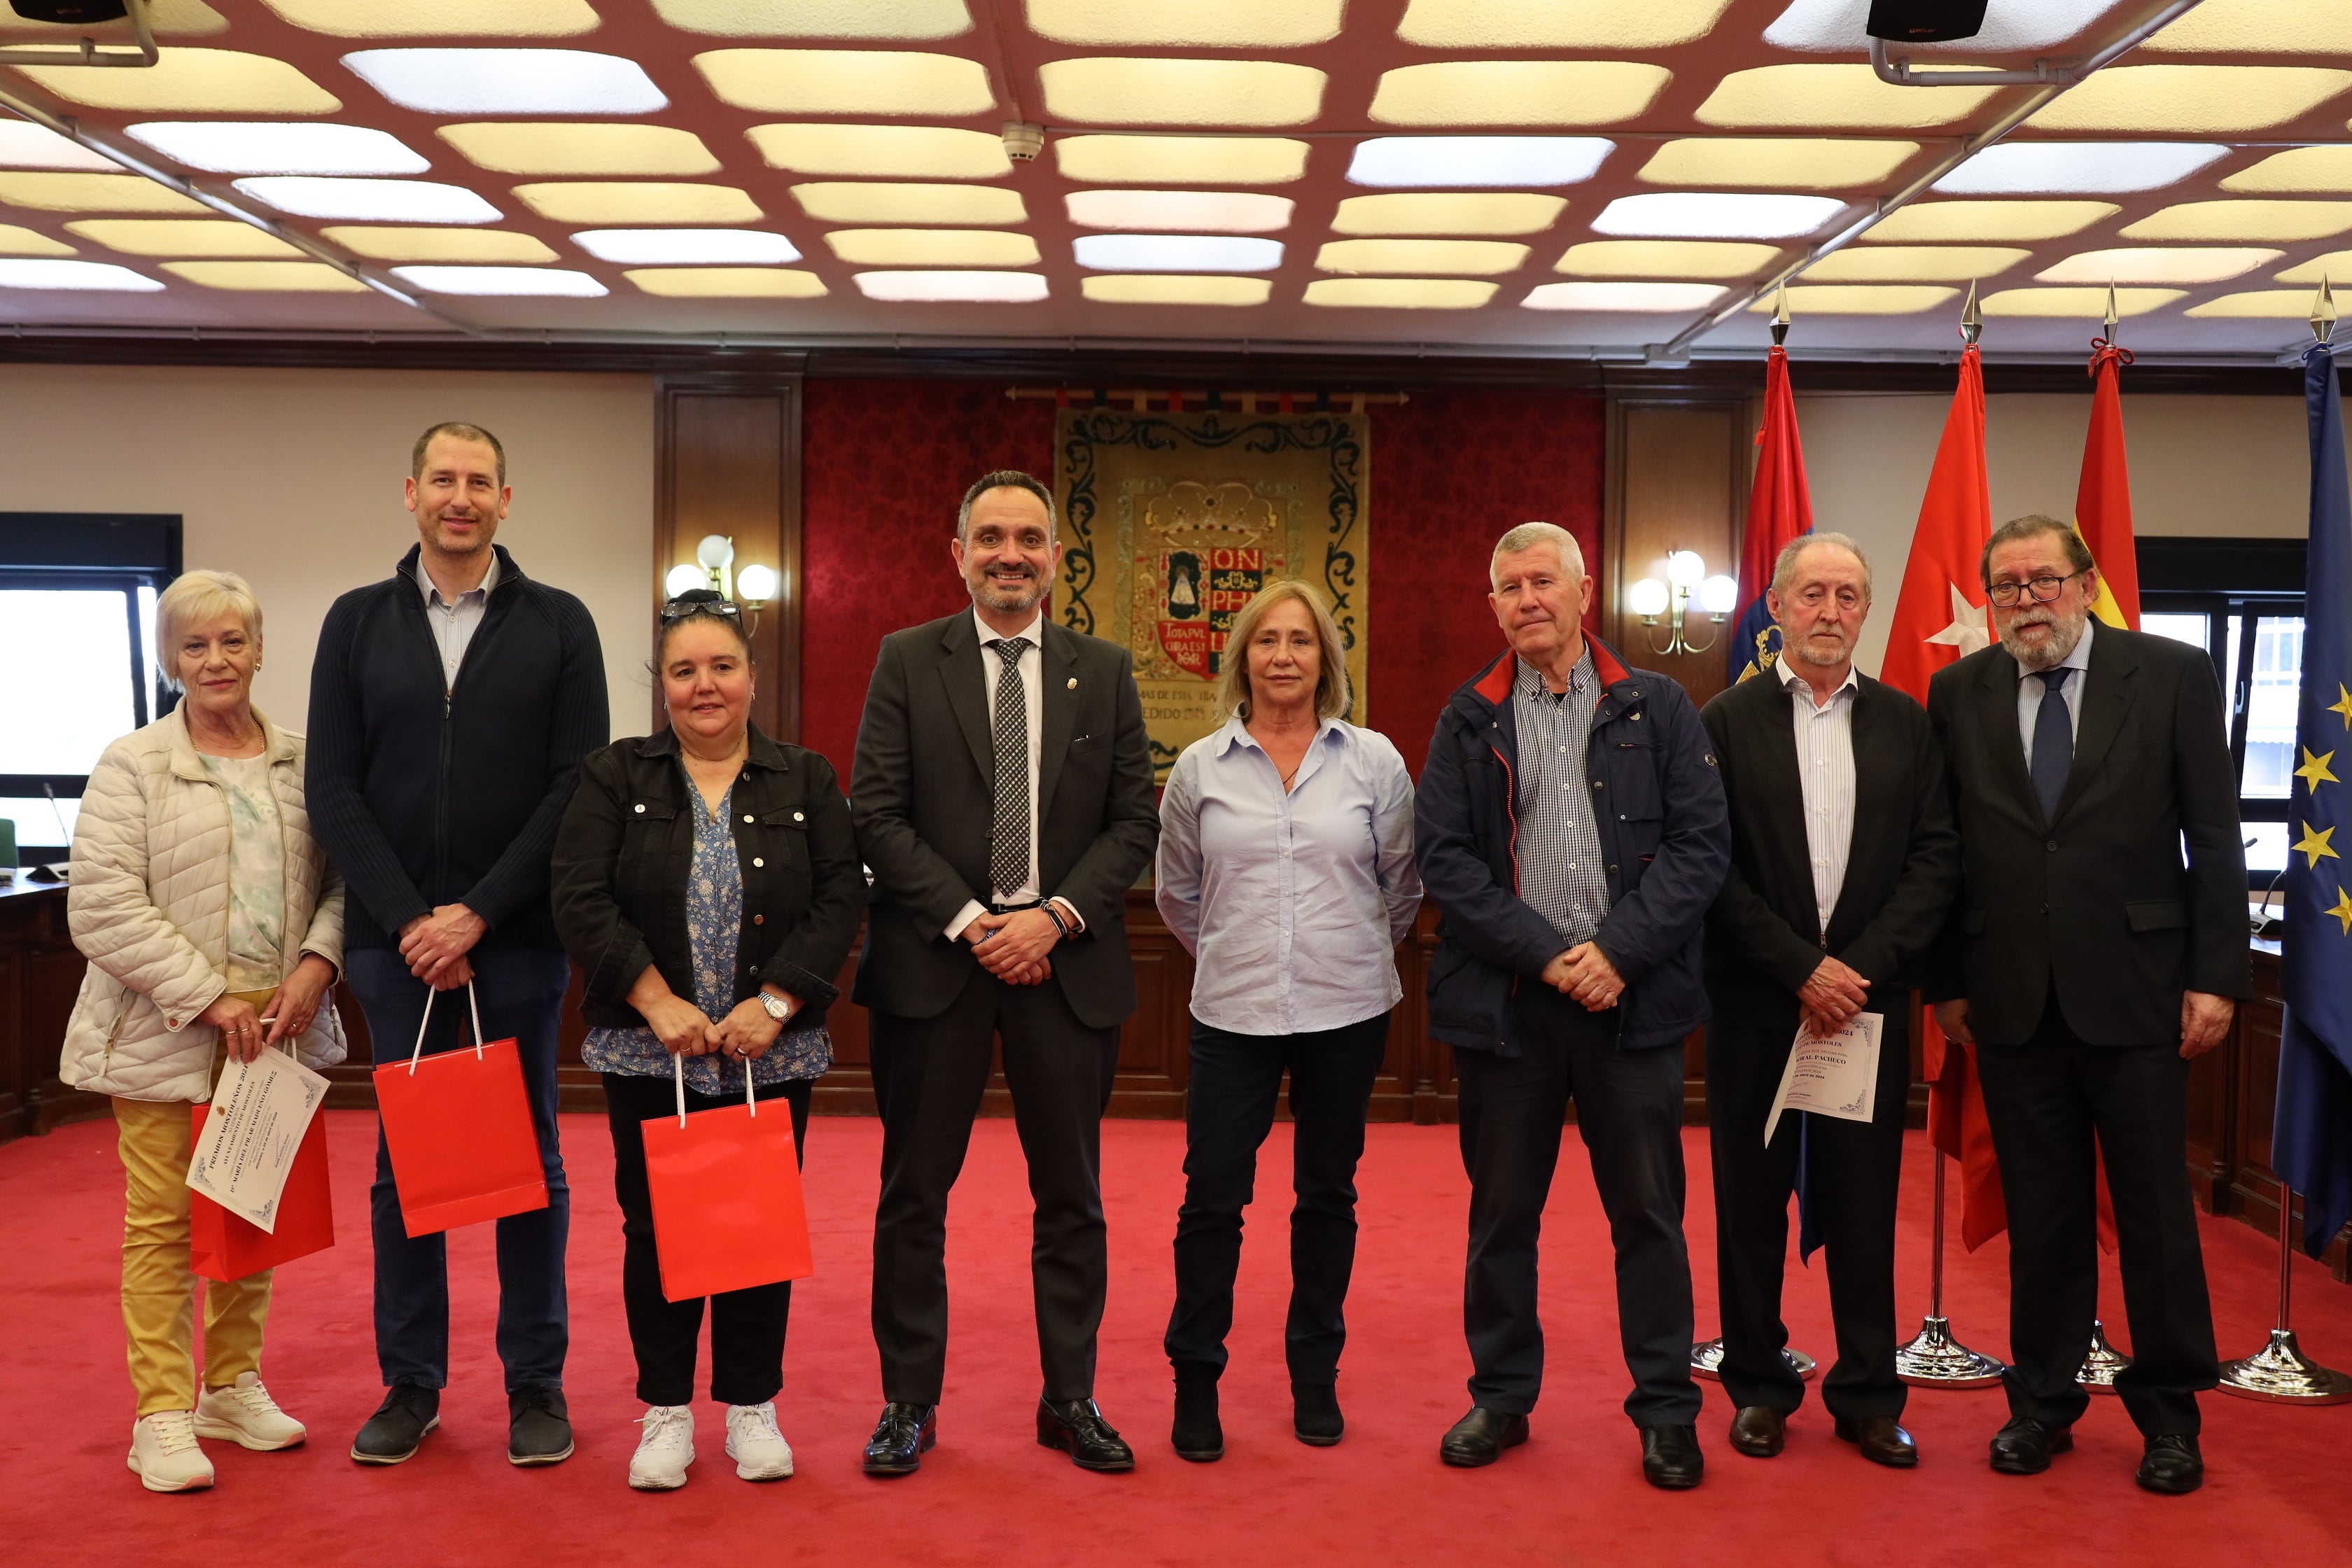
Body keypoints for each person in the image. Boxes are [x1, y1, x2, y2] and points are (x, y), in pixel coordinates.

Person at [306, 421, 608, 1468]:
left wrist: (476, 912)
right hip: (395, 953)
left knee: (531, 1164)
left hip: (517, 943)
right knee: (408, 1169)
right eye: (444, 478)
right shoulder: (355, 623)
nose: (461, 497)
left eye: (480, 481)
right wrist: (410, 924)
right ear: (411, 492)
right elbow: (333, 789)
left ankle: (536, 1383)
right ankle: (412, 1384)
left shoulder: (561, 624)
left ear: (506, 501)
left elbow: (578, 786)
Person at [1926, 513, 2246, 1495]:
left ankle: (2169, 1417)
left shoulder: (2172, 674)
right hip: (2013, 1003)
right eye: (2008, 586)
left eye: (2044, 581)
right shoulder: (1958, 689)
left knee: (2156, 1218)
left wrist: (2218, 976)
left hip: (2143, 998)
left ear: (2086, 582)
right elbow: (1943, 851)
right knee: (2045, 1218)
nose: (2027, 601)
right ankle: (2042, 1405)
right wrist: (1944, 981)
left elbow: (2214, 836)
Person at [848, 468, 1158, 1476]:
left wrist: (1053, 919)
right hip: (937, 967)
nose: (1010, 555)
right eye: (990, 538)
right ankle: (907, 1402)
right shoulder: (906, 660)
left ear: (1056, 558)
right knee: (913, 1198)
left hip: (1065, 972)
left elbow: (1132, 821)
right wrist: (981, 923)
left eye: (1029, 538)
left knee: (1073, 1197)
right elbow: (877, 815)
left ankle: (1069, 1396)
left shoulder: (1103, 670)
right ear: (959, 552)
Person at [1415, 521, 1730, 1488]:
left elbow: (1699, 849)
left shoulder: (1659, 705)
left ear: (1584, 591)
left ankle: (1665, 1411)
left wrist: (1616, 956)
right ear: (1495, 605)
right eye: (1508, 587)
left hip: (1629, 1006)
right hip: (1511, 1008)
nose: (1527, 601)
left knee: (1649, 1216)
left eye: (1543, 581)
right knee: (1502, 1217)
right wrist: (1553, 958)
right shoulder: (1466, 717)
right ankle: (1501, 1398)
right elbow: (1448, 866)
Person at [552, 592, 862, 1491]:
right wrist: (655, 1001)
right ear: (663, 686)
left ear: (753, 677)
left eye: (722, 666)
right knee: (656, 1229)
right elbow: (578, 894)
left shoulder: (806, 776)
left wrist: (775, 1000)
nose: (705, 686)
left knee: (757, 1226)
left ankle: (752, 1406)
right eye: (684, 671)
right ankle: (666, 1412)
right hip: (653, 1049)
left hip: (769, 1046)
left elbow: (843, 895)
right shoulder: (615, 775)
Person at [60, 570, 346, 1492]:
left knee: (246, 1215)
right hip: (166, 1029)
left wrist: (316, 966)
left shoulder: (309, 761)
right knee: (165, 1226)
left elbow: (348, 883)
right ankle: (162, 1415)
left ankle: (229, 1385)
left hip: (276, 1030)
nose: (216, 660)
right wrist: (207, 995)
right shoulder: (131, 763)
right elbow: (101, 905)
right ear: (169, 660)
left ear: (260, 650)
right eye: (195, 645)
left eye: (233, 641)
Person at [1698, 533, 1959, 1469]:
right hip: (1759, 1003)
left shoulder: (1906, 724)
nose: (1830, 611)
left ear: (1866, 610)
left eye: (1849, 595)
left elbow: (1937, 860)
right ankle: (1760, 1387)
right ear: (1776, 605)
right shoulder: (1724, 719)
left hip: (1867, 1009)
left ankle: (1866, 1395)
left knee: (1863, 1203)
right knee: (1750, 1205)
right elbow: (1709, 868)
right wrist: (1799, 969)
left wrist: (1854, 971)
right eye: (1812, 593)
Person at [1155, 580, 1422, 1462]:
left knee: (1327, 1197)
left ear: (1325, 659)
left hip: (1345, 1007)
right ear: (1241, 658)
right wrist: (1241, 952)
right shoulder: (1200, 765)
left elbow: (1401, 885)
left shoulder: (1374, 761)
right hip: (1232, 1011)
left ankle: (1315, 1377)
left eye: (1300, 641)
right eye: (1266, 640)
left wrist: (1341, 952)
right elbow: (1180, 893)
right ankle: (1197, 1384)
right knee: (1211, 1202)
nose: (1282, 656)